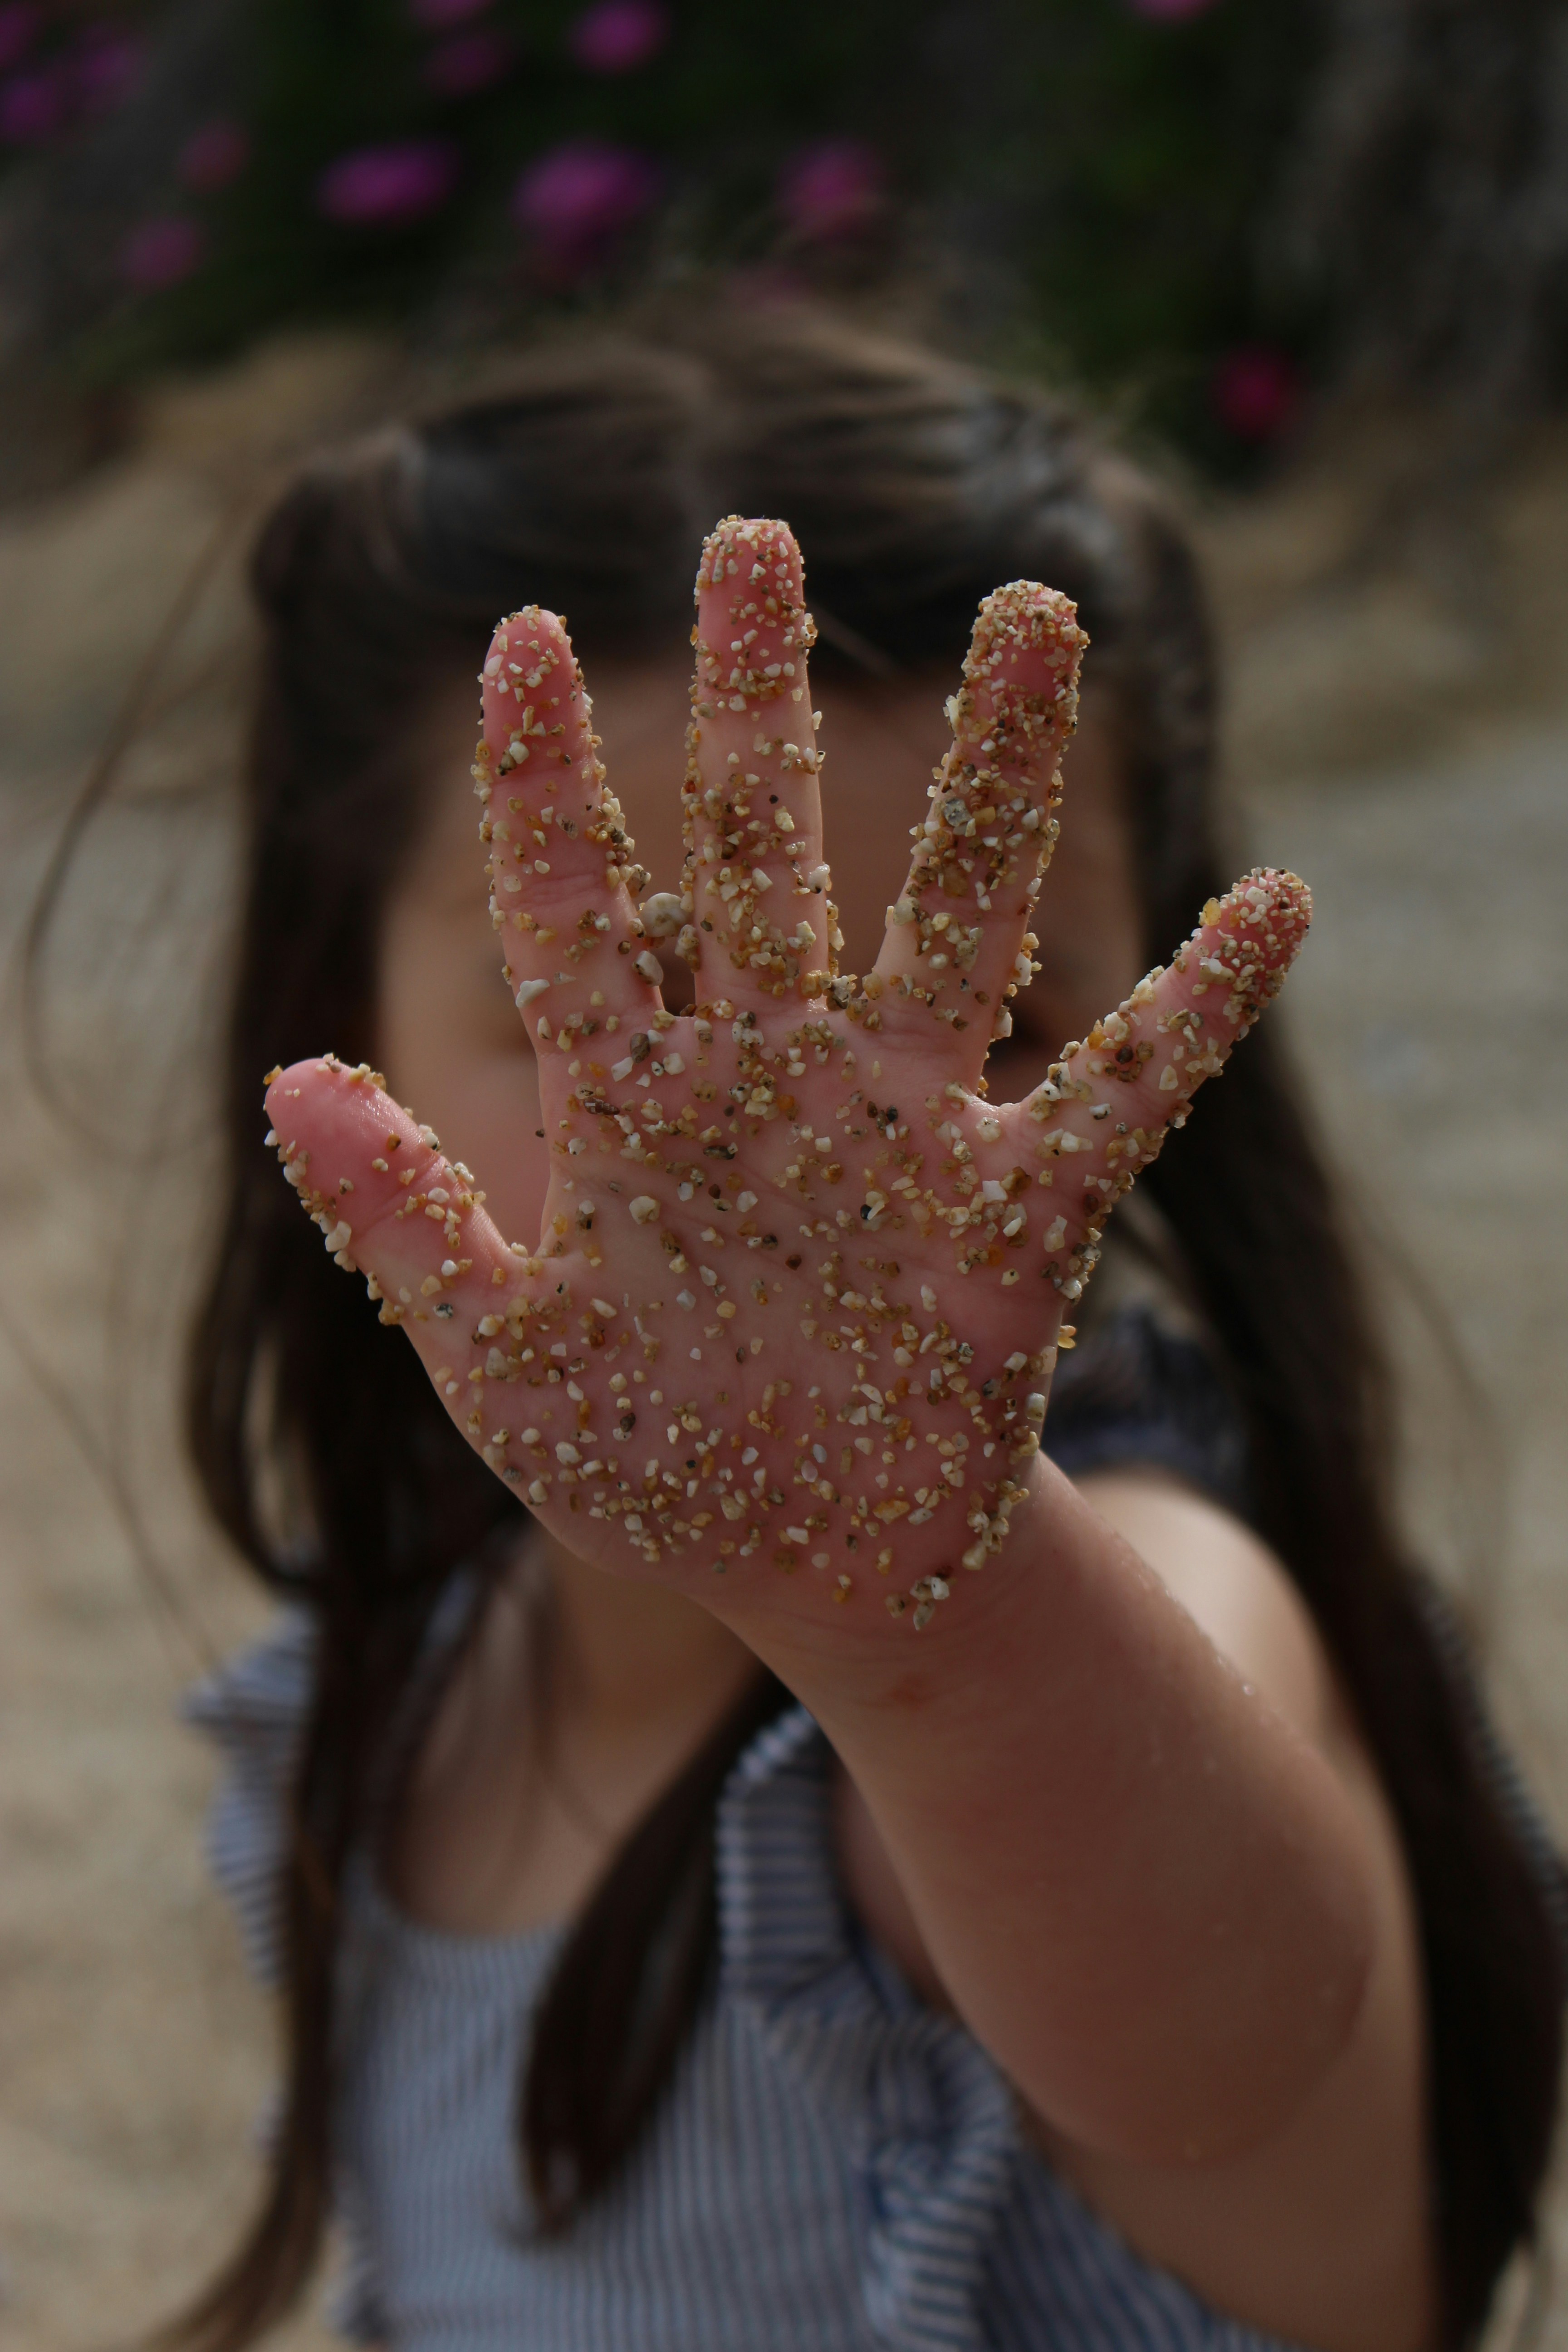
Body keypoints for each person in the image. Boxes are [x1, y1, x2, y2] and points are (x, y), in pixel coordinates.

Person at [174, 306, 1563, 2352]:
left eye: (995, 1025)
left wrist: (931, 1627)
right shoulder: (386, 1703)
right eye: (639, 991)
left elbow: (1230, 2033)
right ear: (334, 996)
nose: (796, 1140)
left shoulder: (1123, 1623)